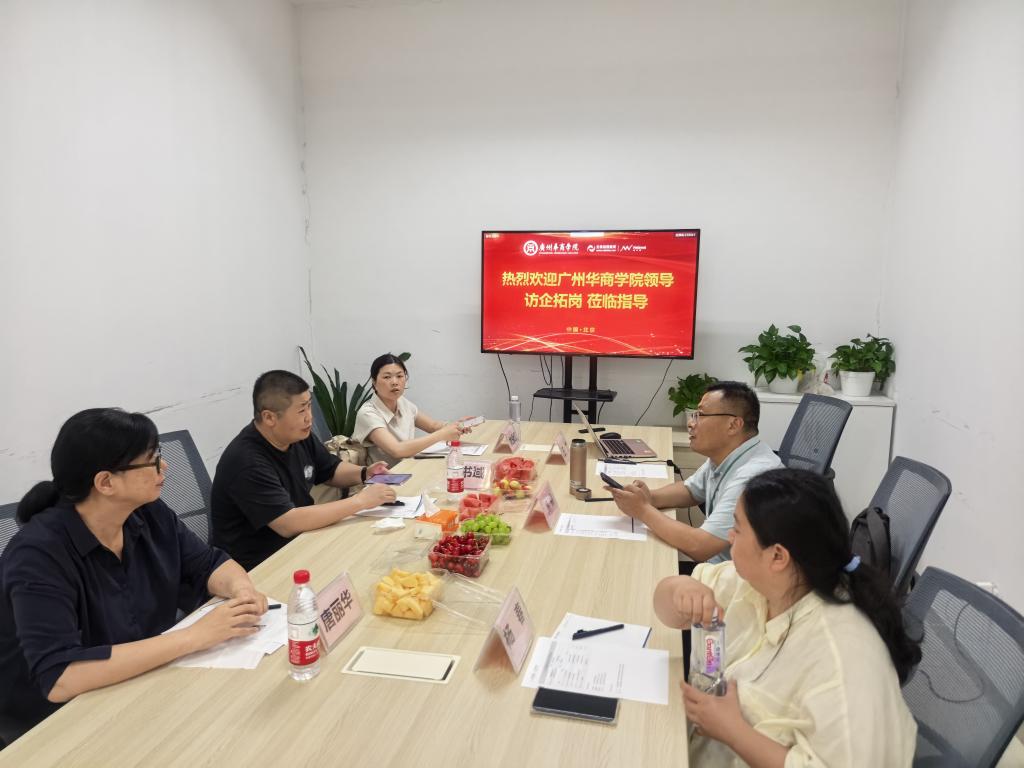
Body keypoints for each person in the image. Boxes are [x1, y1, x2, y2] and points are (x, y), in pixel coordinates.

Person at [0, 408, 268, 734]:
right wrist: (195, 636)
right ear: (106, 482)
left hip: (143, 681)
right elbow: (61, 676)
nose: (164, 467)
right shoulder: (38, 555)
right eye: (152, 460)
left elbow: (209, 564)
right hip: (60, 723)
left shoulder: (148, 512)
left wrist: (242, 591)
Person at [654, 469, 920, 767]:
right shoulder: (762, 583)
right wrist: (681, 590)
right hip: (690, 744)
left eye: (737, 529)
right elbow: (665, 607)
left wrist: (734, 732)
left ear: (778, 556)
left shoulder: (842, 657)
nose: (730, 537)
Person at [211, 370, 396, 571]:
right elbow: (288, 523)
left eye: (309, 406)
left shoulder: (297, 436)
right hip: (260, 566)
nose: (309, 418)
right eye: (301, 411)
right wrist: (360, 501)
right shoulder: (247, 462)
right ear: (269, 417)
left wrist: (365, 473)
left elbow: (330, 469)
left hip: (301, 542)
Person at [607, 381, 782, 564]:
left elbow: (700, 547)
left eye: (700, 415)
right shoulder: (729, 454)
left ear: (733, 425)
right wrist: (649, 497)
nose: (691, 423)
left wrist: (642, 510)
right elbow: (690, 490)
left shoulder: (752, 477)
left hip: (739, 577)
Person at [352, 353, 473, 465]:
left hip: (409, 468)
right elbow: (396, 450)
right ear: (374, 382)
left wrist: (457, 425)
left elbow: (433, 426)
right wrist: (441, 435)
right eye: (387, 377)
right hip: (384, 477)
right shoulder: (368, 413)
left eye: (400, 376)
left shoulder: (402, 402)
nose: (394, 382)